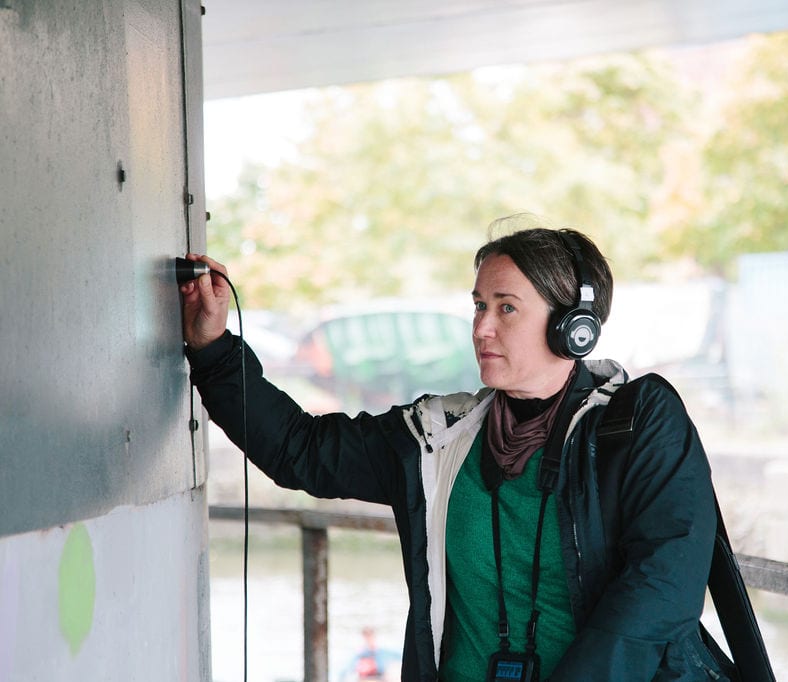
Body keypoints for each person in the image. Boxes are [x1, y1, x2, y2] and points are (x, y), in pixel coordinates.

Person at [180, 217, 729, 681]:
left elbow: (661, 589)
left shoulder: (638, 422)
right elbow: (301, 449)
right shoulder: (438, 434)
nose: (482, 328)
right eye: (478, 306)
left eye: (506, 308)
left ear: (573, 329)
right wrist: (213, 347)